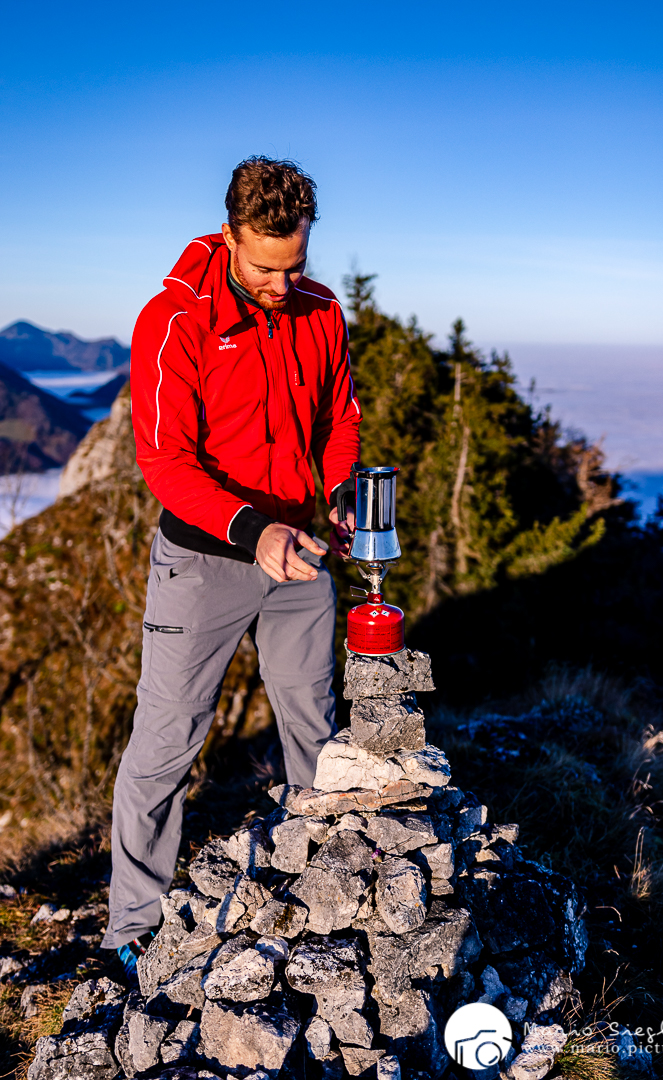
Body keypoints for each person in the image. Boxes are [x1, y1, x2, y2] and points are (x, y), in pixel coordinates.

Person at [101, 157, 361, 974]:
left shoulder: (321, 310)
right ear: (228, 235)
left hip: (298, 553)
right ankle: (132, 927)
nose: (284, 285)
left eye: (297, 265)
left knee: (315, 726)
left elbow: (338, 417)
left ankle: (327, 890)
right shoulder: (172, 318)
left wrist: (344, 490)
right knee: (167, 741)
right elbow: (165, 462)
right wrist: (254, 531)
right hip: (204, 560)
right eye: (265, 268)